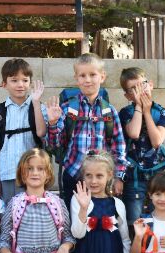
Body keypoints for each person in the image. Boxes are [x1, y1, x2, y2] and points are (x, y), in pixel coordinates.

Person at [45, 53, 128, 208]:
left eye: (92, 75)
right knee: (74, 217)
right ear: (76, 79)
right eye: (82, 75)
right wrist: (52, 124)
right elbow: (54, 145)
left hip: (101, 179)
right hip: (73, 174)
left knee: (100, 216)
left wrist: (119, 177)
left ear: (102, 76)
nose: (87, 80)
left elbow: (119, 147)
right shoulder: (67, 108)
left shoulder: (109, 111)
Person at [0, 58, 48, 206]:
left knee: (31, 211)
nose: (20, 85)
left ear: (30, 83)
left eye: (25, 80)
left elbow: (41, 132)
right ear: (4, 84)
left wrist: (36, 102)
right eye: (14, 80)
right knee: (9, 211)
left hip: (33, 174)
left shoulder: (38, 107)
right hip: (7, 173)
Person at [117, 67, 165, 229]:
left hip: (157, 174)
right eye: (134, 89)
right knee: (135, 221)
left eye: (143, 85)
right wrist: (139, 107)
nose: (140, 91)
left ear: (151, 85)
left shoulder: (162, 112)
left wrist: (147, 112)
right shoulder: (126, 113)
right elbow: (133, 133)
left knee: (159, 217)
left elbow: (157, 141)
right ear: (128, 96)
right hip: (133, 176)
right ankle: (137, 245)